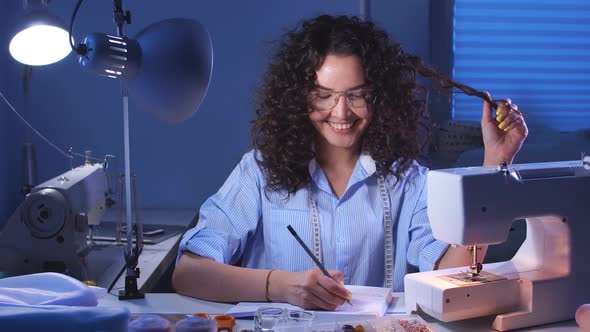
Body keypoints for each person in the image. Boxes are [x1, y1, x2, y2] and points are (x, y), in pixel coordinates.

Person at [172, 15, 528, 310]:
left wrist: (494, 166)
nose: (340, 112)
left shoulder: (410, 181)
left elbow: (454, 274)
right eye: (323, 96)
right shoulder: (259, 172)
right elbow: (188, 272)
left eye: (356, 95)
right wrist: (280, 285)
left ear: (379, 95)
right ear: (299, 98)